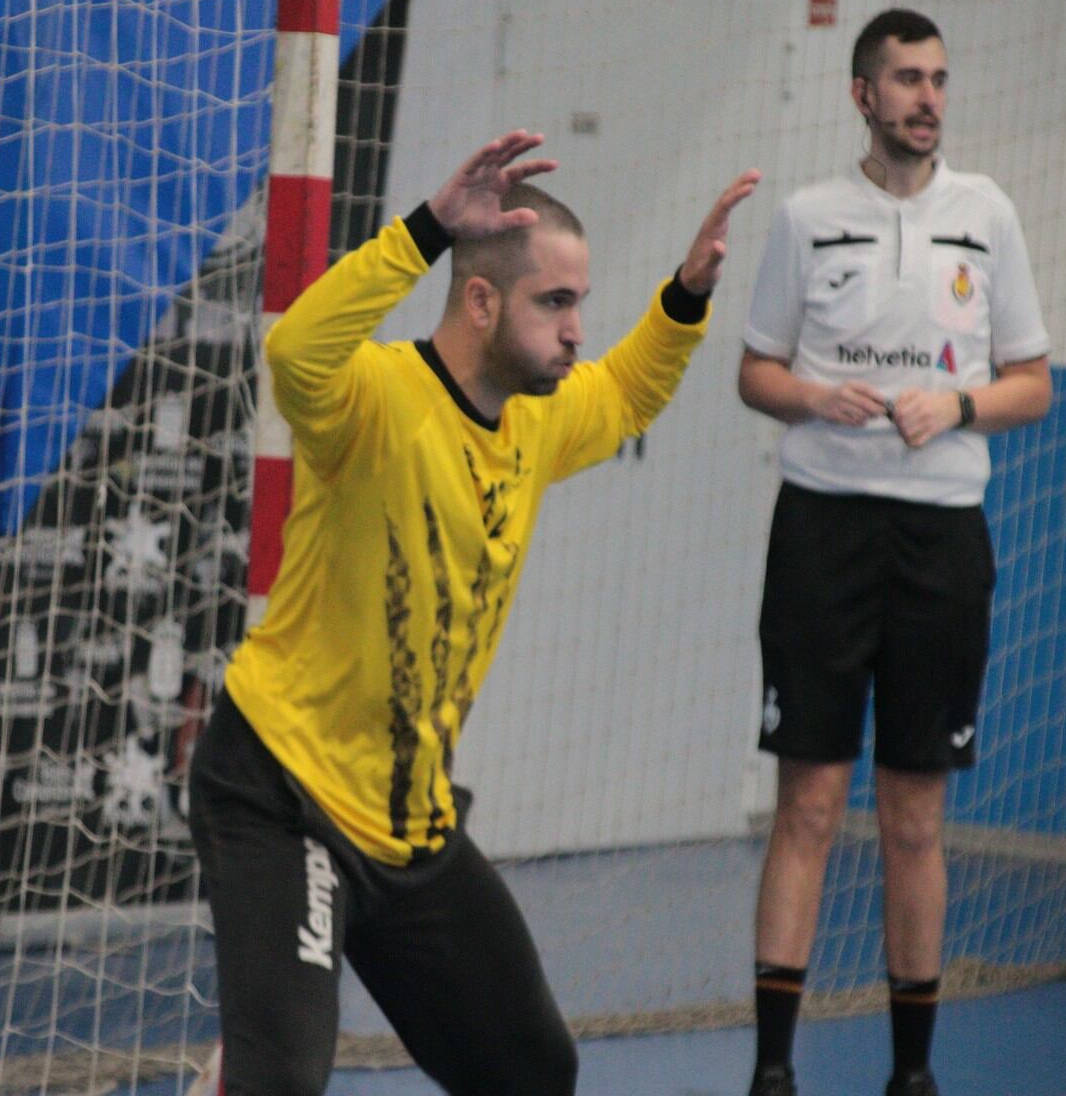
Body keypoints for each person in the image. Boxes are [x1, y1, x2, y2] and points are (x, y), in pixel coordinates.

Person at [188, 130, 759, 1096]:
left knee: (533, 1071)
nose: (578, 330)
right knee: (282, 1085)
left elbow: (622, 394)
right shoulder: (376, 400)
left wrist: (685, 297)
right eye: (557, 303)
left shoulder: (536, 419)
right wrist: (425, 231)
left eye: (580, 303)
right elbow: (295, 349)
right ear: (482, 299)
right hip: (286, 798)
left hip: (411, 825)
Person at [739, 10, 1052, 1096]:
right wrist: (817, 395)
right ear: (861, 94)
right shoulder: (805, 217)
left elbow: (1033, 383)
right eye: (906, 79)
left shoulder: (988, 216)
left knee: (915, 816)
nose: (927, 97)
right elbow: (755, 373)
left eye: (938, 80)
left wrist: (958, 404)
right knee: (809, 805)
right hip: (823, 533)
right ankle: (773, 1072)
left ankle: (909, 1075)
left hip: (939, 544)